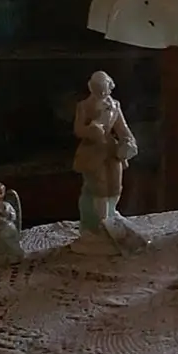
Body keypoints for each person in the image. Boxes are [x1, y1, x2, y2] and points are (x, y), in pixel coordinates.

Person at [72, 71, 141, 252]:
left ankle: (111, 214)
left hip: (111, 150)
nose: (103, 92)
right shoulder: (84, 106)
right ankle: (97, 224)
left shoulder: (115, 105)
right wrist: (92, 129)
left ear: (110, 87)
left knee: (115, 184)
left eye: (105, 89)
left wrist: (129, 141)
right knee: (98, 186)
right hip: (92, 151)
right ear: (91, 88)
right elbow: (78, 129)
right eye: (98, 89)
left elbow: (122, 127)